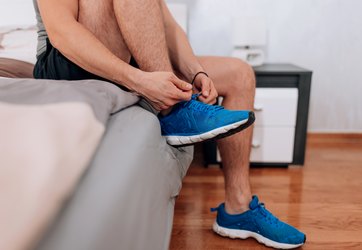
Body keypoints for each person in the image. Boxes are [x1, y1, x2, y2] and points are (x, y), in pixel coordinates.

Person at [32, 0, 306, 248]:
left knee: (240, 74)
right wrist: (139, 81)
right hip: (66, 63)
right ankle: (174, 110)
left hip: (133, 57)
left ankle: (239, 207)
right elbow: (61, 31)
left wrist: (194, 71)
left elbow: (167, 25)